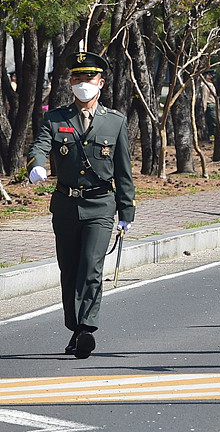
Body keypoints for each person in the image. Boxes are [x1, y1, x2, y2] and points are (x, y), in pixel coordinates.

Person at [26, 51, 135, 359]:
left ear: (100, 82)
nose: (82, 84)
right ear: (70, 82)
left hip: (101, 205)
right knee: (70, 269)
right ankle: (75, 328)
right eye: (77, 78)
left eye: (88, 78)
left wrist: (127, 210)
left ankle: (87, 328)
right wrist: (36, 165)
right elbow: (40, 145)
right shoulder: (56, 118)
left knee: (91, 266)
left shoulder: (114, 122)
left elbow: (124, 170)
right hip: (65, 205)